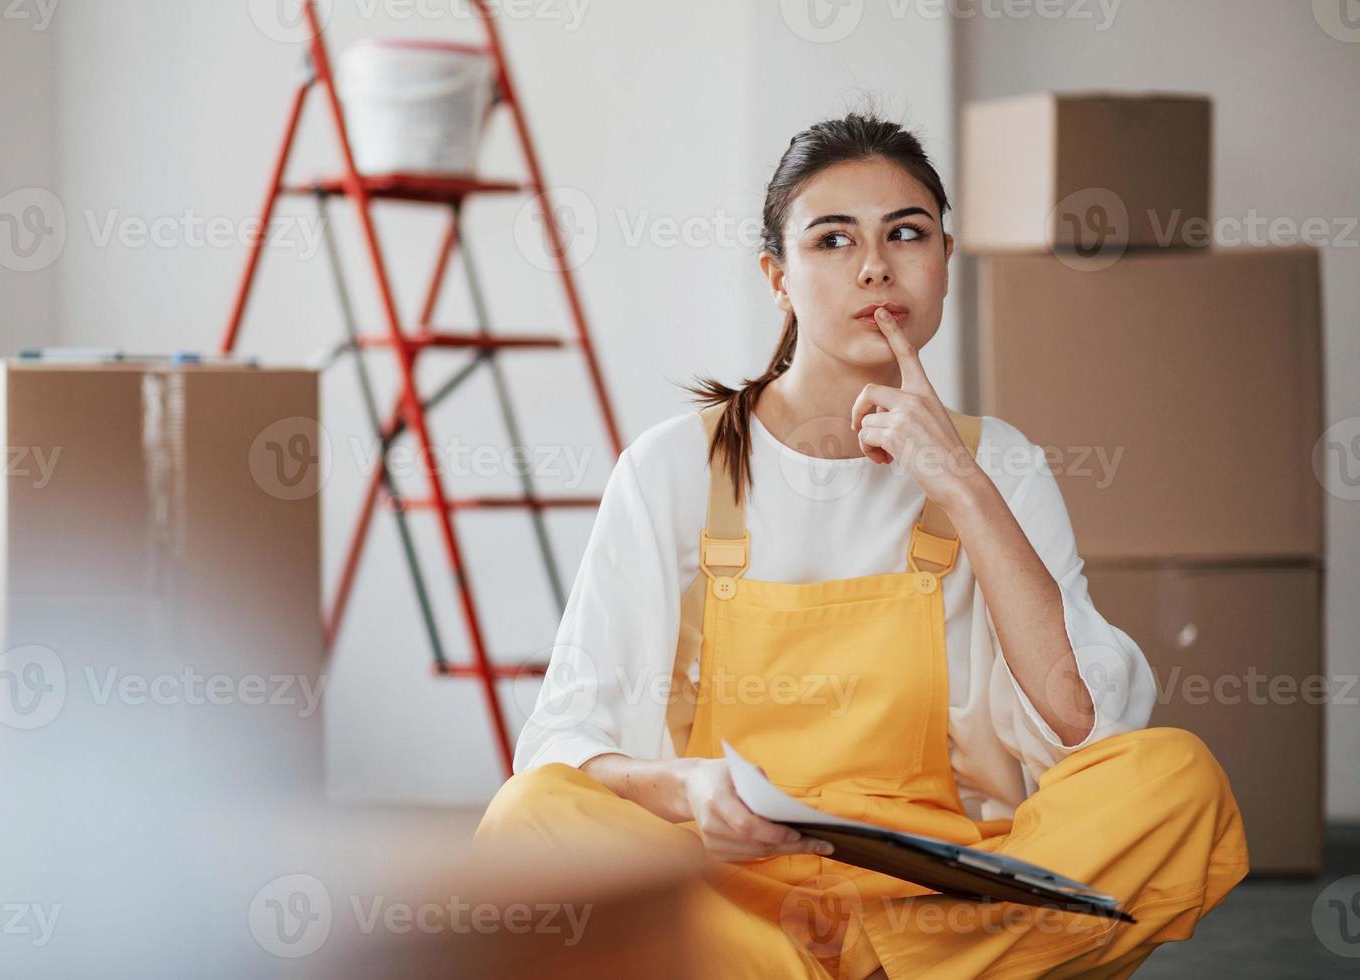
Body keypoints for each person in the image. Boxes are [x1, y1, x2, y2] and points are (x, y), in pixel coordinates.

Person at [473, 108, 1249, 979]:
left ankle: (885, 966)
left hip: (935, 899)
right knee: (528, 816)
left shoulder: (999, 463)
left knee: (1175, 780)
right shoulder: (671, 467)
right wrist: (688, 787)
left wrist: (959, 481)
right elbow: (565, 739)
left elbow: (1081, 724)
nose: (875, 265)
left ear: (945, 261)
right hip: (731, 896)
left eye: (905, 233)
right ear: (778, 278)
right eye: (833, 240)